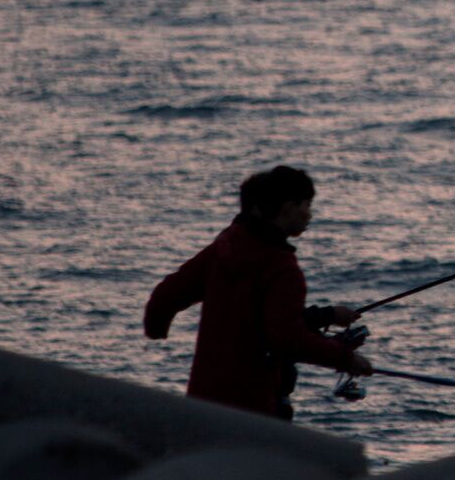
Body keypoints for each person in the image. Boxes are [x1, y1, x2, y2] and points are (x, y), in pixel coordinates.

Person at [144, 164, 369, 418]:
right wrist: (346, 359)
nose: (310, 215)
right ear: (287, 207)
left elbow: (166, 296)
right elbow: (286, 338)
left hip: (202, 401)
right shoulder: (282, 268)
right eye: (306, 206)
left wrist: (156, 330)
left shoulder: (224, 248)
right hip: (253, 410)